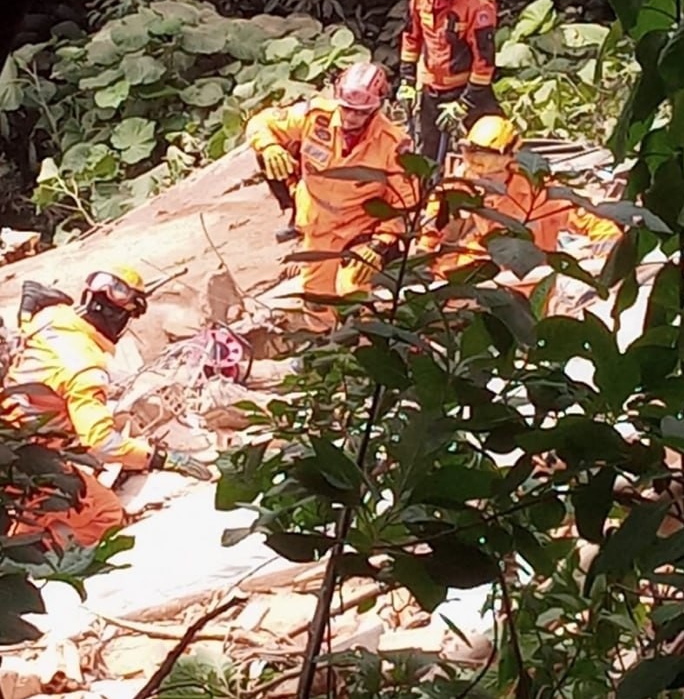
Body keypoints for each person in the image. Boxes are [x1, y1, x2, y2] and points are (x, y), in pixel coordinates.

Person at [1, 266, 211, 549]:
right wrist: (158, 458)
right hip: (25, 459)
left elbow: (31, 313)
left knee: (35, 509)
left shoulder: (50, 319)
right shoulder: (85, 367)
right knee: (105, 514)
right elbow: (100, 441)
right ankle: (23, 562)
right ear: (123, 318)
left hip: (11, 436)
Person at [247, 62, 418, 326]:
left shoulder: (393, 143)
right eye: (347, 109)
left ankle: (362, 347)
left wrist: (382, 243)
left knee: (351, 288)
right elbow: (261, 122)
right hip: (318, 222)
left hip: (363, 227)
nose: (350, 118)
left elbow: (406, 202)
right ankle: (323, 349)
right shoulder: (315, 116)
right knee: (315, 297)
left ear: (376, 108)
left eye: (360, 113)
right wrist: (269, 146)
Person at [419, 116, 619, 286]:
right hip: (479, 277)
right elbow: (432, 232)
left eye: (490, 178)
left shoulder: (536, 191)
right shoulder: (458, 185)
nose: (484, 184)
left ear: (510, 158)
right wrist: (422, 264)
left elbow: (591, 220)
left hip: (529, 281)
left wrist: (611, 253)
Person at [398, 0, 501, 161]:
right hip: (432, 91)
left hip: (469, 90)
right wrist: (407, 81)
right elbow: (411, 37)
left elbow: (484, 62)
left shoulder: (478, 5)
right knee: (428, 157)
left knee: (492, 147)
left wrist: (465, 103)